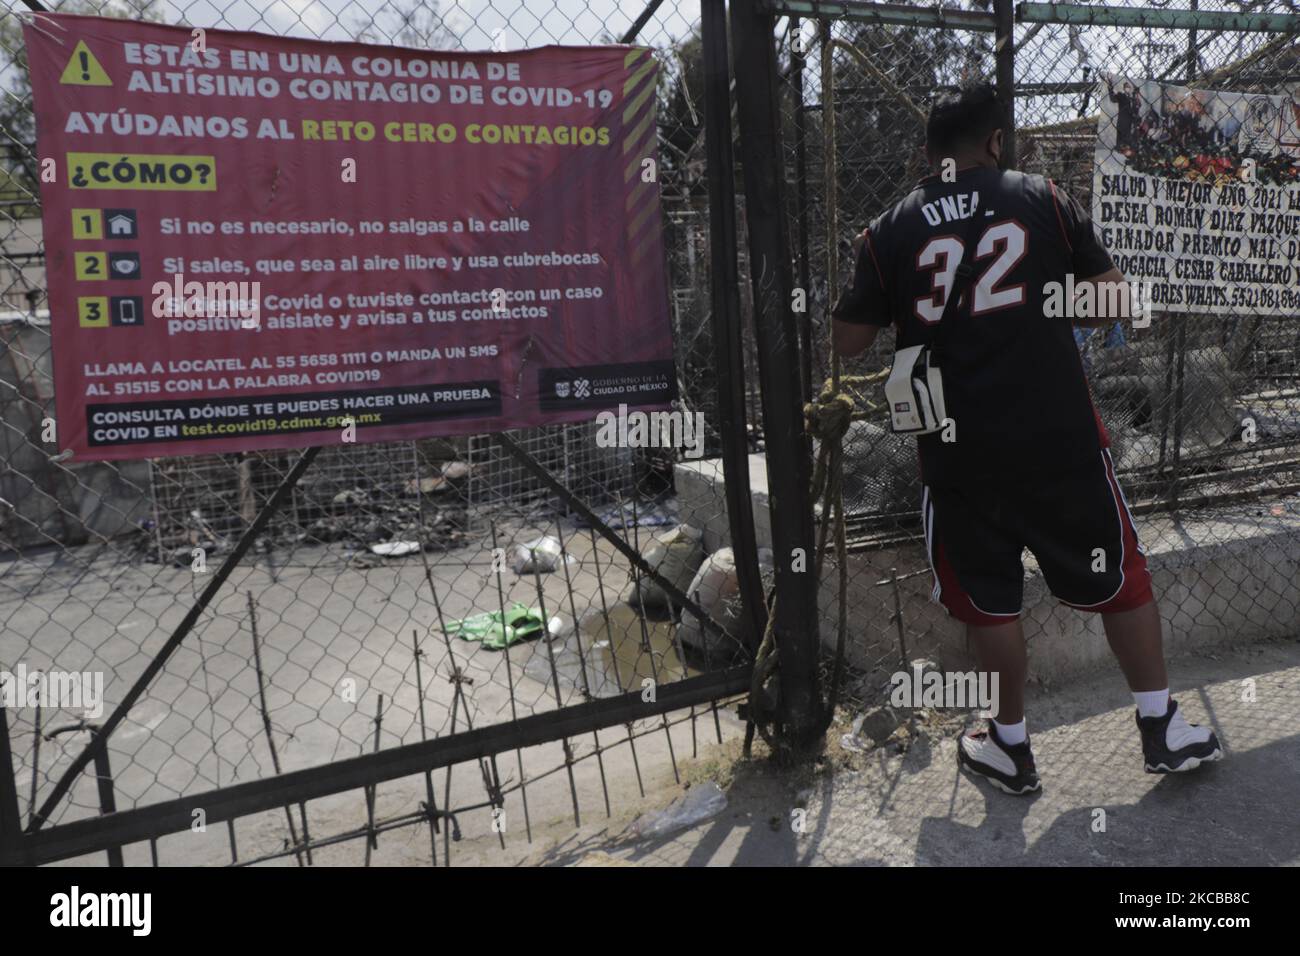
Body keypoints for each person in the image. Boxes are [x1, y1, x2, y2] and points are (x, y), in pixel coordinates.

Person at [830, 83, 1223, 795]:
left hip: (958, 451)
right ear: (996, 142)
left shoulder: (889, 229)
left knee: (990, 600)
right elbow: (1111, 299)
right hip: (1060, 437)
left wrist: (912, 309)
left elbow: (848, 340)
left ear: (927, 155)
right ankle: (1161, 727)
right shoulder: (1041, 197)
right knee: (1121, 577)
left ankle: (1009, 745)